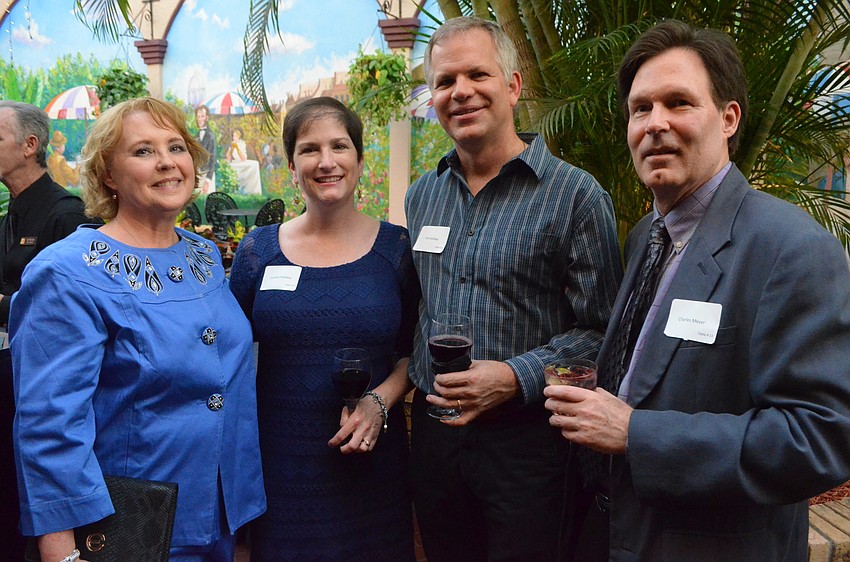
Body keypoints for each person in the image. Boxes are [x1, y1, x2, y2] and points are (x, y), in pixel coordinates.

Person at [544, 19, 850, 561]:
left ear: (729, 118)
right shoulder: (646, 235)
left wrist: (636, 433)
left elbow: (820, 439)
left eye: (679, 102)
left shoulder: (792, 249)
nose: (655, 123)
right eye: (640, 109)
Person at [404, 16, 622, 562]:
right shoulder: (422, 196)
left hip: (529, 445)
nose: (461, 91)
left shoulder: (576, 197)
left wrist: (513, 376)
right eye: (445, 81)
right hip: (435, 436)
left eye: (478, 74)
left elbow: (602, 332)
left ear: (513, 86)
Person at [11, 97, 266, 562]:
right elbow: (49, 424)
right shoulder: (66, 272)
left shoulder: (204, 255)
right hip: (131, 529)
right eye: (143, 151)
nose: (167, 162)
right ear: (108, 174)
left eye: (176, 147)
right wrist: (61, 550)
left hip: (221, 518)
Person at [229, 96, 419, 562]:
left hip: (373, 463)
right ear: (292, 165)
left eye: (339, 146)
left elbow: (414, 351)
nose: (326, 161)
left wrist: (379, 402)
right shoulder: (257, 252)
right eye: (310, 149)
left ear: (359, 159)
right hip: (282, 466)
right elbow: (228, 354)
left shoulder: (396, 250)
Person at [0, 100, 92, 561]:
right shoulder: (10, 215)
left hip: (44, 389)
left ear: (29, 145)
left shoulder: (66, 215)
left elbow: (74, 309)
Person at [225, 127, 262, 195]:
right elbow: (228, 157)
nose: (233, 137)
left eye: (235, 136)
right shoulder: (232, 143)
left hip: (242, 162)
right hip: (236, 163)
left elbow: (243, 158)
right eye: (233, 136)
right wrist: (232, 148)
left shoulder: (242, 143)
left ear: (239, 136)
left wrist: (237, 147)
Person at [195, 104, 216, 193]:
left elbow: (213, 159)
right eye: (198, 116)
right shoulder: (196, 136)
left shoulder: (210, 136)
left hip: (207, 175)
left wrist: (207, 181)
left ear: (207, 118)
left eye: (202, 116)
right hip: (198, 174)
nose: (200, 119)